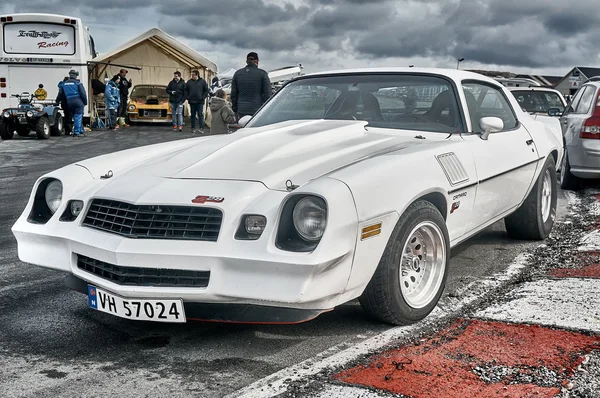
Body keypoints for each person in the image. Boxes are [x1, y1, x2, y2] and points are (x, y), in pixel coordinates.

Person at [230, 52, 272, 120]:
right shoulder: (262, 73)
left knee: (242, 129)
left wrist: (235, 108)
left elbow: (234, 94)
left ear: (247, 61)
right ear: (256, 61)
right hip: (257, 109)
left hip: (241, 109)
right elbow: (268, 94)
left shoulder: (237, 73)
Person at [62, 70, 87, 137]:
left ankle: (81, 131)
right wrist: (85, 102)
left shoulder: (64, 83)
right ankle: (77, 132)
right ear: (75, 76)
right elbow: (83, 94)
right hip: (78, 100)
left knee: (76, 116)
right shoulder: (78, 83)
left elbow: (62, 94)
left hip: (69, 101)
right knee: (78, 116)